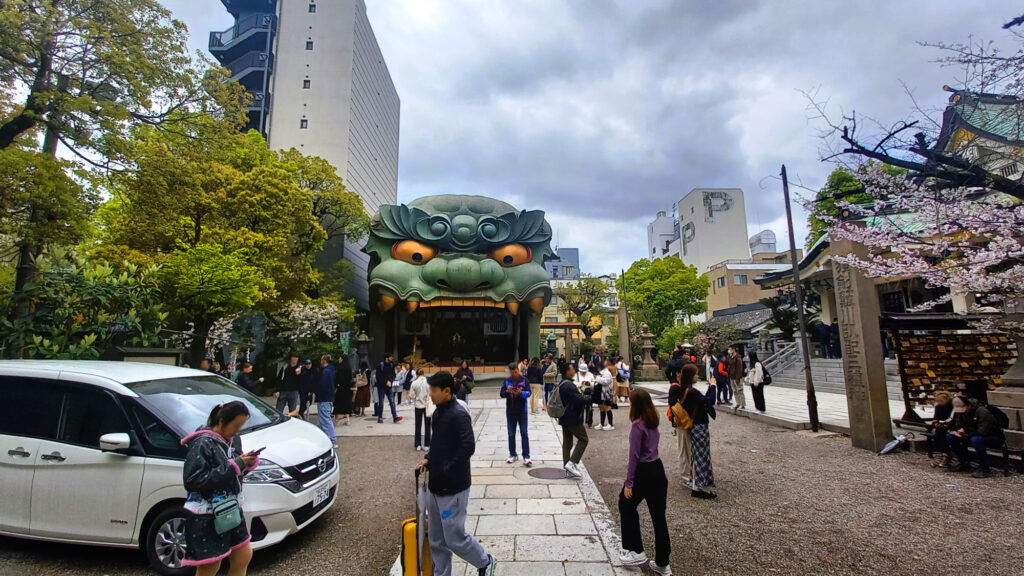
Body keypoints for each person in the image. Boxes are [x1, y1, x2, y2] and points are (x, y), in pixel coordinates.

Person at [415, 371, 498, 576]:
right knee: (436, 538)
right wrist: (429, 458)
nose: (430, 394)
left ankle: (485, 561)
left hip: (453, 487)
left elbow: (467, 446)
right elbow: (437, 443)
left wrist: (448, 468)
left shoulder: (459, 414)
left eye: (433, 391)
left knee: (454, 537)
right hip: (435, 485)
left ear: (446, 391)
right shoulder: (438, 413)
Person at [181, 401, 258, 575]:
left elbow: (234, 468)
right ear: (222, 421)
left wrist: (247, 462)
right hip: (206, 515)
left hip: (229, 507)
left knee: (243, 555)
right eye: (236, 425)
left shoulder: (231, 440)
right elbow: (193, 481)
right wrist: (235, 465)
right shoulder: (202, 443)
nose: (238, 430)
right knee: (210, 565)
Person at [617, 388, 672, 575]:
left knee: (626, 504)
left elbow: (634, 456)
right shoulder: (652, 422)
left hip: (643, 470)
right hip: (657, 469)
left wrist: (629, 482)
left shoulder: (637, 426)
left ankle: (636, 550)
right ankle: (663, 564)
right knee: (659, 518)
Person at [680, 364, 716, 499]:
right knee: (702, 455)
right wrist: (713, 386)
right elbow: (710, 401)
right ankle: (701, 487)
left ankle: (696, 484)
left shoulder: (686, 390)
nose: (697, 376)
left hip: (694, 425)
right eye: (695, 374)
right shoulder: (692, 392)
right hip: (699, 425)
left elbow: (703, 401)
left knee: (696, 455)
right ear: (690, 376)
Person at [947, 397, 1004, 478]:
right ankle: (962, 460)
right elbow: (958, 423)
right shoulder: (960, 413)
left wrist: (966, 433)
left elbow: (983, 431)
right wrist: (959, 430)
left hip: (991, 436)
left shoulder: (982, 412)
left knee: (976, 440)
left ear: (969, 405)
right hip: (970, 434)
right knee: (951, 436)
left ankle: (984, 468)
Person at [558, 363, 590, 479]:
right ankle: (571, 463)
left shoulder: (562, 383)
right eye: (572, 369)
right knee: (583, 439)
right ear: (567, 371)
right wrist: (589, 395)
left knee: (567, 442)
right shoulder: (569, 386)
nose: (574, 370)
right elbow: (579, 399)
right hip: (572, 417)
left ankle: (567, 467)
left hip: (564, 416)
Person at [500, 362, 532, 466]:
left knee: (524, 433)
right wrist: (507, 391)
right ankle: (512, 454)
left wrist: (520, 393)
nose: (514, 374)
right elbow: (501, 394)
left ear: (518, 370)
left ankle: (526, 456)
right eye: (512, 372)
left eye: (515, 372)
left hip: (522, 411)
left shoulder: (524, 380)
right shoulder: (507, 381)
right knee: (511, 433)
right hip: (510, 411)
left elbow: (529, 393)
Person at [667, 363, 692, 488]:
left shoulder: (681, 386)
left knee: (688, 448)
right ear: (678, 373)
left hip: (685, 421)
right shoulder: (675, 388)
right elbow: (674, 407)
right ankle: (685, 475)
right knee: (684, 449)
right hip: (682, 422)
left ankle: (689, 473)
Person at [312, 355, 338, 448]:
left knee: (325, 418)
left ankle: (332, 439)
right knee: (322, 419)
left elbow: (322, 385)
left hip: (324, 397)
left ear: (324, 360)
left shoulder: (325, 372)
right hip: (329, 396)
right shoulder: (331, 370)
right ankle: (321, 437)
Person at [929, 390, 955, 467]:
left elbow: (953, 418)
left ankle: (944, 454)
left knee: (941, 433)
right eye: (938, 401)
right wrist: (936, 423)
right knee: (939, 432)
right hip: (943, 425)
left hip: (951, 424)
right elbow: (935, 418)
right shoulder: (938, 407)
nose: (940, 402)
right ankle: (943, 453)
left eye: (941, 400)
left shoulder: (952, 406)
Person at [375, 353, 402, 424]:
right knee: (381, 402)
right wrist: (386, 381)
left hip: (389, 386)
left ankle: (395, 417)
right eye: (391, 357)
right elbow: (378, 377)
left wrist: (390, 381)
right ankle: (380, 417)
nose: (392, 358)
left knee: (392, 402)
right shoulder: (380, 366)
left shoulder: (391, 365)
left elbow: (393, 375)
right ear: (386, 358)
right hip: (381, 387)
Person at [411, 367, 433, 450]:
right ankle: (427, 444)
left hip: (418, 404)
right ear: (423, 373)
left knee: (418, 425)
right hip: (426, 405)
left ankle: (418, 444)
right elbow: (430, 393)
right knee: (428, 425)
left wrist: (416, 399)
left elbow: (412, 395)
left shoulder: (414, 383)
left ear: (417, 374)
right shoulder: (428, 383)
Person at [595, 359, 616, 430]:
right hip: (601, 392)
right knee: (601, 408)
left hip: (606, 393)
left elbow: (606, 381)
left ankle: (610, 424)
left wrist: (597, 378)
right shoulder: (601, 373)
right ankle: (602, 423)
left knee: (607, 407)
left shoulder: (606, 373)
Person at [333, 355, 354, 426]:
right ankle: (348, 419)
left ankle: (336, 419)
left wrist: (336, 385)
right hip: (347, 388)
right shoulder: (349, 368)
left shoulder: (339, 367)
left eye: (340, 357)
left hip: (340, 387)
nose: (339, 359)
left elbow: (336, 378)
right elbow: (351, 379)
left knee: (337, 403)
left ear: (342, 359)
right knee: (347, 403)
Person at [574, 363, 596, 428]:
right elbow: (574, 384)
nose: (583, 372)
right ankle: (580, 421)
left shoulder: (590, 375)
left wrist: (590, 384)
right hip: (580, 393)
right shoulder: (576, 375)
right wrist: (581, 383)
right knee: (580, 408)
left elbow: (594, 383)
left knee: (589, 408)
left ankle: (589, 421)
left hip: (589, 392)